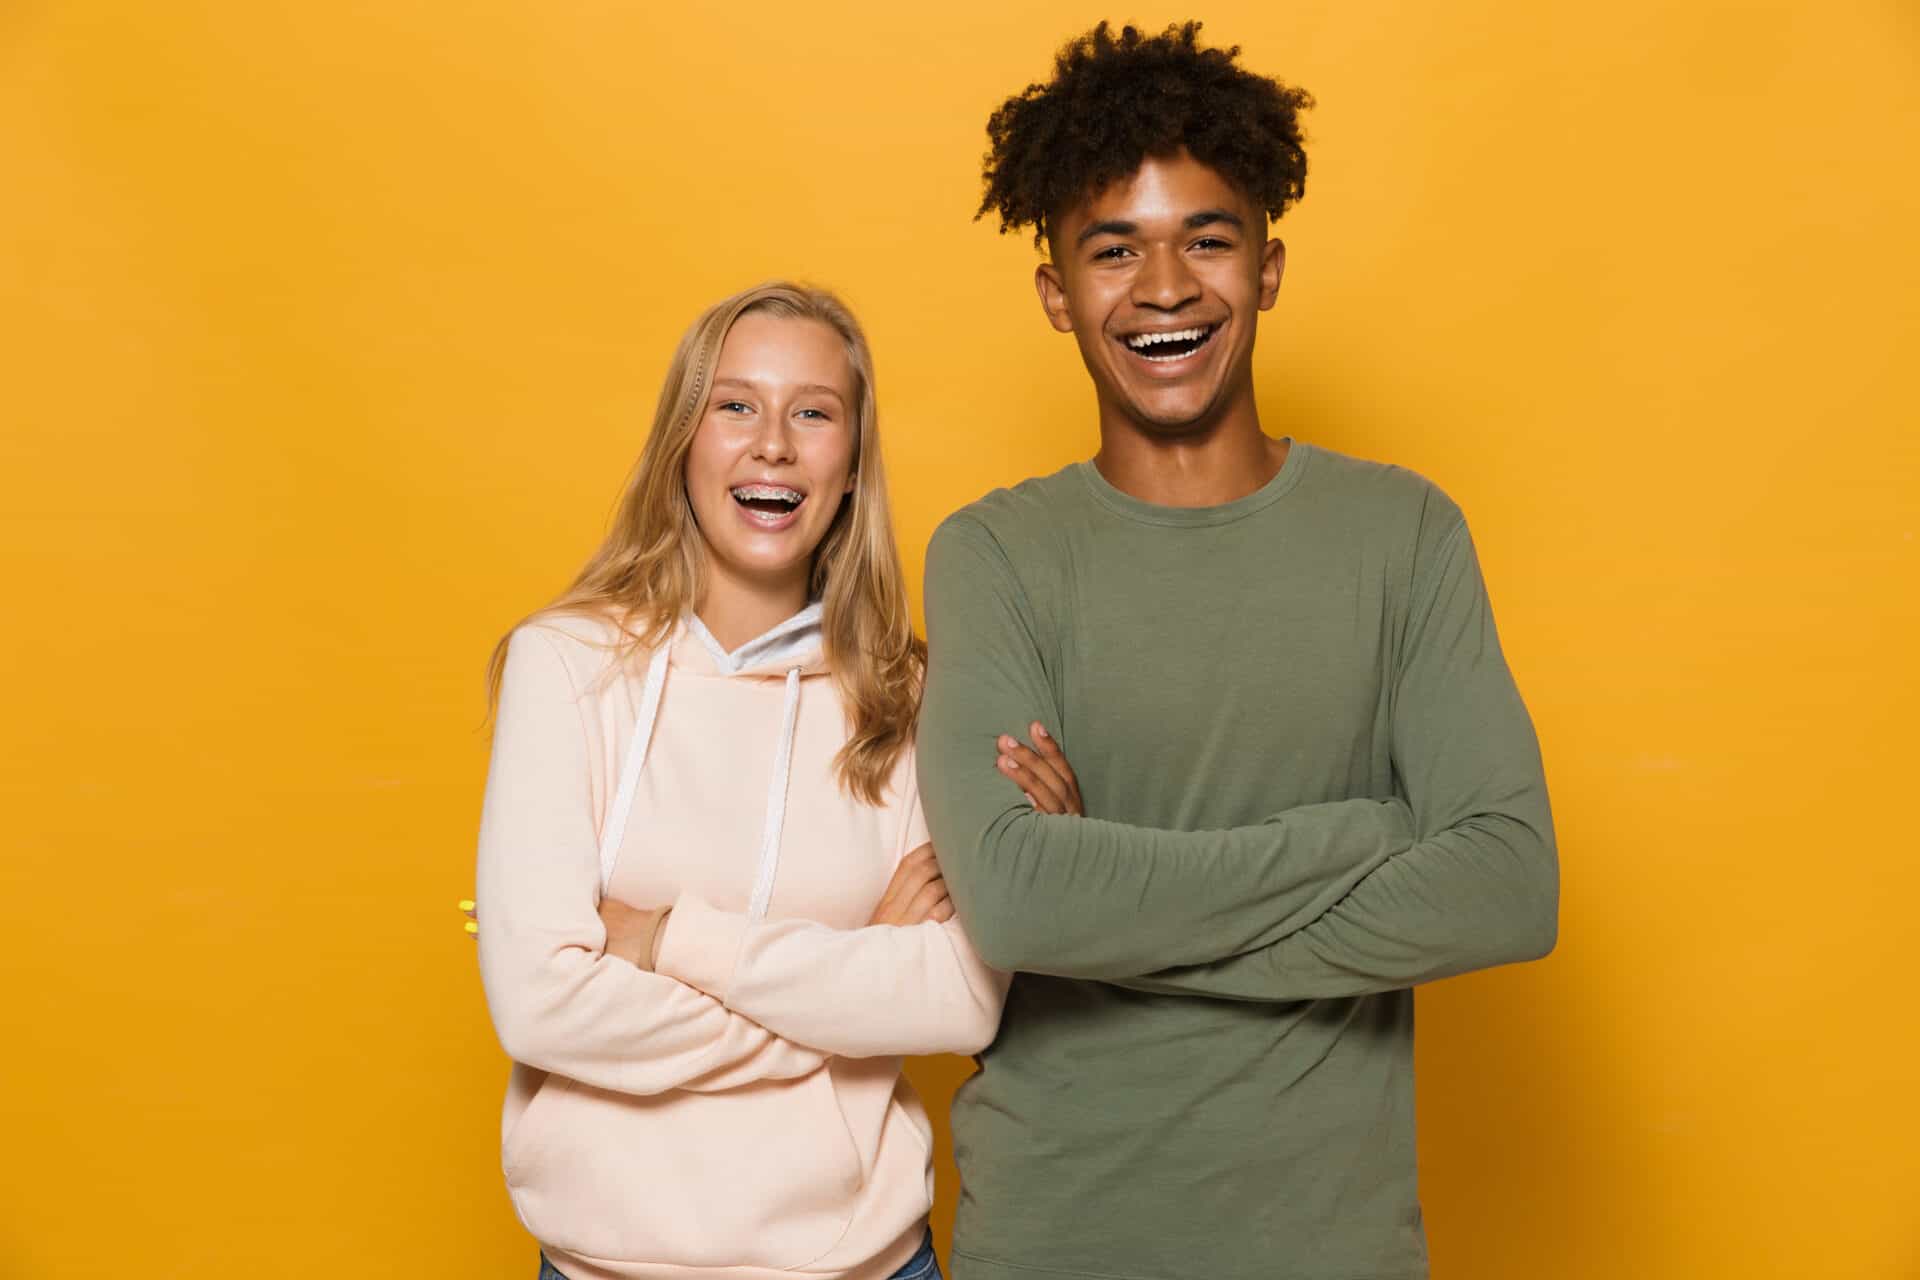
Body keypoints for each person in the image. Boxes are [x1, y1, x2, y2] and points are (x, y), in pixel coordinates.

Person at [915, 22, 1560, 1280]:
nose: (1164, 288)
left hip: (1330, 1241)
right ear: (1057, 291)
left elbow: (1506, 882)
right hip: (1059, 1232)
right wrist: (1368, 836)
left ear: (1267, 267)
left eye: (1206, 238)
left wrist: (1114, 899)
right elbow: (1016, 897)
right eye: (1114, 250)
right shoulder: (992, 552)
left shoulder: (1404, 532)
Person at [471, 282, 1013, 1280]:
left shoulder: (912, 694)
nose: (774, 442)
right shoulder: (565, 665)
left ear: (851, 465)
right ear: (686, 440)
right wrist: (849, 979)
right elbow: (542, 1006)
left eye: (813, 410)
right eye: (736, 405)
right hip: (604, 1264)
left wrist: (668, 938)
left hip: (868, 1263)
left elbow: (958, 1001)